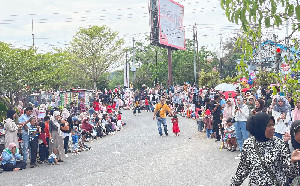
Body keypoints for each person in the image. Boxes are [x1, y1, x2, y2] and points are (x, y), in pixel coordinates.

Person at [231, 112, 299, 185]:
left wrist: (293, 162)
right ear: (260, 127)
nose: (273, 128)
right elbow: (242, 170)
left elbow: (291, 174)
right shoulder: (248, 144)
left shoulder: (279, 143)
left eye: (273, 125)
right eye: (269, 125)